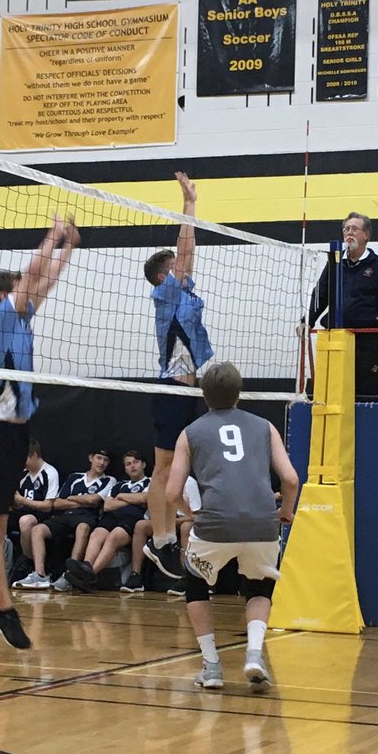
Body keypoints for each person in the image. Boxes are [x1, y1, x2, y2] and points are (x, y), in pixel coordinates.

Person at [0, 214, 80, 647]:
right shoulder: (0, 320)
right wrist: (54, 233)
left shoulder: (20, 321)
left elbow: (45, 281)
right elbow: (35, 272)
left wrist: (69, 248)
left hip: (14, 433)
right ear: (4, 294)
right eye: (19, 287)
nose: (31, 291)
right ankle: (4, 607)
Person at [166, 362, 299, 692]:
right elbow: (291, 479)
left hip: (215, 525)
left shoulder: (190, 432)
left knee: (195, 583)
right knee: (259, 585)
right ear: (239, 393)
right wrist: (285, 511)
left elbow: (170, 493)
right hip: (262, 523)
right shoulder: (265, 426)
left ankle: (212, 666)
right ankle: (254, 654)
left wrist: (190, 512)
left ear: (204, 394)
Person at [142, 172, 210, 582]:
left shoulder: (182, 294)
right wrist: (189, 206)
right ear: (163, 276)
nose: (184, 269)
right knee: (163, 467)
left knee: (178, 467)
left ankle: (171, 533)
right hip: (169, 387)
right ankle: (161, 538)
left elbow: (187, 260)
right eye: (175, 268)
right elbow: (186, 255)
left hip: (188, 389)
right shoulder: (165, 293)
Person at [306, 212, 378, 396]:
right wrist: (307, 321)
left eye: (354, 229)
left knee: (364, 391)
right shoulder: (334, 264)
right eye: (346, 229)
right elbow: (320, 295)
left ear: (366, 234)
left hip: (366, 342)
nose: (349, 232)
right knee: (331, 393)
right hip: (334, 338)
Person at [16, 449, 114, 590]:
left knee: (83, 528)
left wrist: (73, 498)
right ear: (91, 458)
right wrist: (82, 500)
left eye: (105, 460)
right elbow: (57, 503)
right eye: (99, 458)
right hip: (65, 515)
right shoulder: (75, 477)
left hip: (86, 517)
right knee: (38, 529)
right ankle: (40, 574)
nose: (102, 463)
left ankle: (69, 575)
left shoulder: (109, 480)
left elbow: (94, 500)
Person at [65, 450, 150, 592]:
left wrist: (122, 497)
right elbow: (108, 505)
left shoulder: (150, 481)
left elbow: (145, 499)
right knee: (96, 534)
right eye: (128, 464)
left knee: (113, 537)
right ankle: (86, 566)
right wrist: (131, 499)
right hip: (112, 517)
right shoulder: (119, 484)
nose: (132, 466)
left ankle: (90, 575)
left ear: (143, 464)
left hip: (132, 519)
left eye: (135, 462)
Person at [8, 439, 59, 568]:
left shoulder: (50, 473)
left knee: (25, 521)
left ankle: (27, 562)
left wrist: (23, 501)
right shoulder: (23, 474)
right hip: (21, 510)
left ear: (35, 455)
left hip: (41, 514)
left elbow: (48, 506)